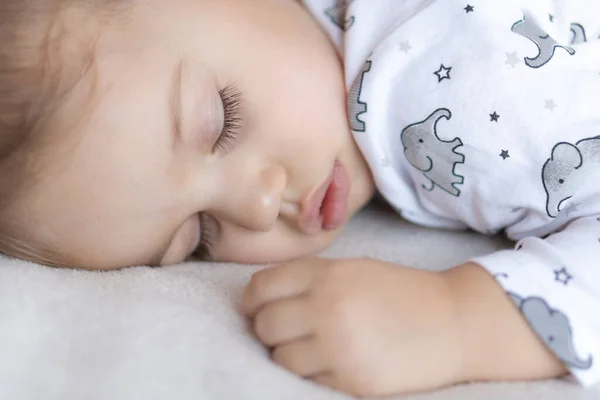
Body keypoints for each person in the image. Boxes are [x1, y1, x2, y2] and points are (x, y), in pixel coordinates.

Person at [0, 0, 598, 396]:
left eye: (223, 122)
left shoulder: (472, 100)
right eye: (199, 237)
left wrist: (460, 319)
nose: (259, 207)